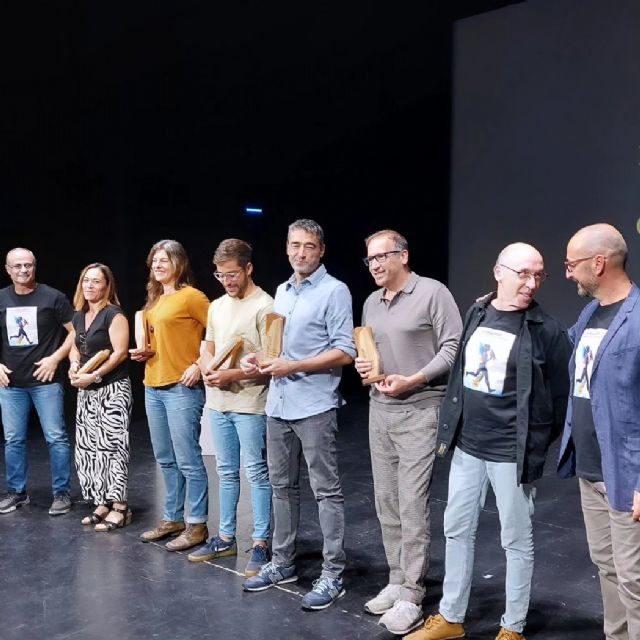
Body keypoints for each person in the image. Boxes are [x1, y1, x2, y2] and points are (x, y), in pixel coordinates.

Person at [409, 243, 571, 640]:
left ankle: (512, 627)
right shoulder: (477, 312)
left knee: (515, 540)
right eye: (523, 274)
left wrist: (534, 440)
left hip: (511, 454)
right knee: (456, 529)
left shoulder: (546, 330)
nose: (531, 283)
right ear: (499, 272)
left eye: (538, 275)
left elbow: (560, 398)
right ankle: (451, 617)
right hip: (468, 446)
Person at [241, 219, 356, 611]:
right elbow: (279, 349)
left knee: (326, 491)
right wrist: (261, 360)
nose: (301, 252)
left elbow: (345, 351)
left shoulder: (335, 290)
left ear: (321, 250)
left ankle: (333, 574)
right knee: (281, 487)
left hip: (315, 405)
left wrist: (294, 366)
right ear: (287, 248)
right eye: (295, 245)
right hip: (278, 404)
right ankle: (283, 562)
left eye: (309, 246)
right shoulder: (282, 291)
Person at [354, 229, 462, 635]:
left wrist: (414, 378)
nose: (375, 265)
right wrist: (366, 367)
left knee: (412, 502)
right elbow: (372, 352)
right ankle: (397, 579)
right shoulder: (372, 302)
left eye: (382, 256)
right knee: (387, 501)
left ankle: (412, 594)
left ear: (403, 255)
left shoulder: (432, 293)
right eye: (370, 259)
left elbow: (453, 347)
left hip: (421, 409)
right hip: (380, 409)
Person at [558, 223, 640, 640]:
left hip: (627, 475)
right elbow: (562, 351)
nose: (567, 272)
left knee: (635, 581)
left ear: (599, 263)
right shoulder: (591, 313)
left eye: (571, 264)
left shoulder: (638, 318)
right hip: (591, 468)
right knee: (607, 567)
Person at [187, 239, 273, 577]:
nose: (226, 281)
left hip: (250, 402)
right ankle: (225, 538)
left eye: (232, 274)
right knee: (225, 470)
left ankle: (261, 542)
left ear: (248, 268)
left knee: (256, 472)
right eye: (220, 275)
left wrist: (231, 375)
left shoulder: (265, 305)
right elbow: (208, 348)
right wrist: (208, 369)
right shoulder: (217, 306)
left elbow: (270, 360)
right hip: (218, 401)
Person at [132, 239, 210, 552]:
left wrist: (199, 365)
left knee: (188, 459)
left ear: (179, 263)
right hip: (153, 384)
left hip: (181, 387)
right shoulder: (155, 299)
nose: (158, 265)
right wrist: (144, 352)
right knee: (165, 459)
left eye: (164, 260)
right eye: (155, 261)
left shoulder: (192, 296)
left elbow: (220, 333)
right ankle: (173, 518)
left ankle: (197, 524)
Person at [0, 248, 74, 516]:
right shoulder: (1, 298)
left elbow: (75, 331)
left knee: (56, 437)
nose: (23, 270)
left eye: (28, 265)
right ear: (8, 269)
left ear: (35, 266)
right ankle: (17, 493)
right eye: (17, 266)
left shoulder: (53, 297)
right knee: (13, 440)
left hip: (46, 381)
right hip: (11, 384)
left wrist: (55, 358)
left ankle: (62, 493)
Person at [68, 263, 133, 532]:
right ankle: (101, 502)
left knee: (112, 448)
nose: (90, 286)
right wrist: (74, 365)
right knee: (89, 449)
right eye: (86, 280)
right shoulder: (79, 315)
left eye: (96, 281)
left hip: (112, 390)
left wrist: (94, 376)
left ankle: (120, 507)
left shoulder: (113, 315)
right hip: (87, 392)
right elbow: (75, 347)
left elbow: (120, 353)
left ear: (107, 286)